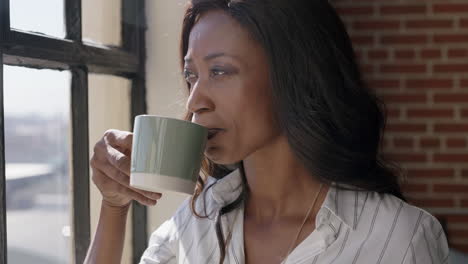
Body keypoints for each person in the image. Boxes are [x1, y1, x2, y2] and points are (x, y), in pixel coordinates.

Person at [84, 0, 450, 263]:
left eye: (221, 71)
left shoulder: (400, 236)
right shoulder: (195, 223)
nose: (196, 101)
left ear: (294, 77)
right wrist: (114, 206)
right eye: (191, 75)